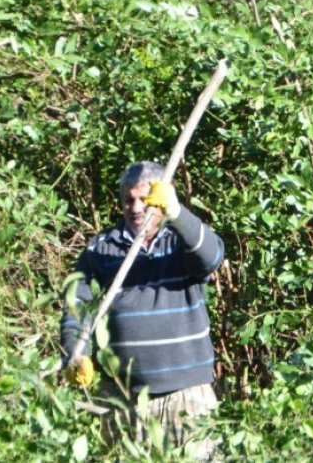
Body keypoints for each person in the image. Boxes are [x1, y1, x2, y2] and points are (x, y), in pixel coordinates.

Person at [61, 161, 225, 458]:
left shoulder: (181, 242)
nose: (136, 208)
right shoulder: (101, 248)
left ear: (160, 200)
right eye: (128, 200)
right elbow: (77, 305)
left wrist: (176, 212)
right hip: (122, 401)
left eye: (144, 199)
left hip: (186, 399)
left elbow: (210, 256)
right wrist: (75, 353)